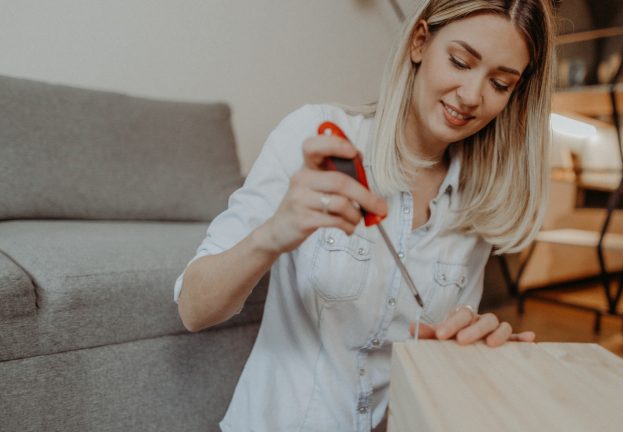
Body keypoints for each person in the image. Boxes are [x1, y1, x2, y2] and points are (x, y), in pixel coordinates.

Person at [174, 0, 555, 430]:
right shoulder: (315, 134)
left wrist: (476, 354)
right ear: (419, 42)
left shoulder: (477, 203)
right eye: (460, 62)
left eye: (500, 84)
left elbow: (432, 365)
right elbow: (194, 310)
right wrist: (273, 234)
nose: (471, 96)